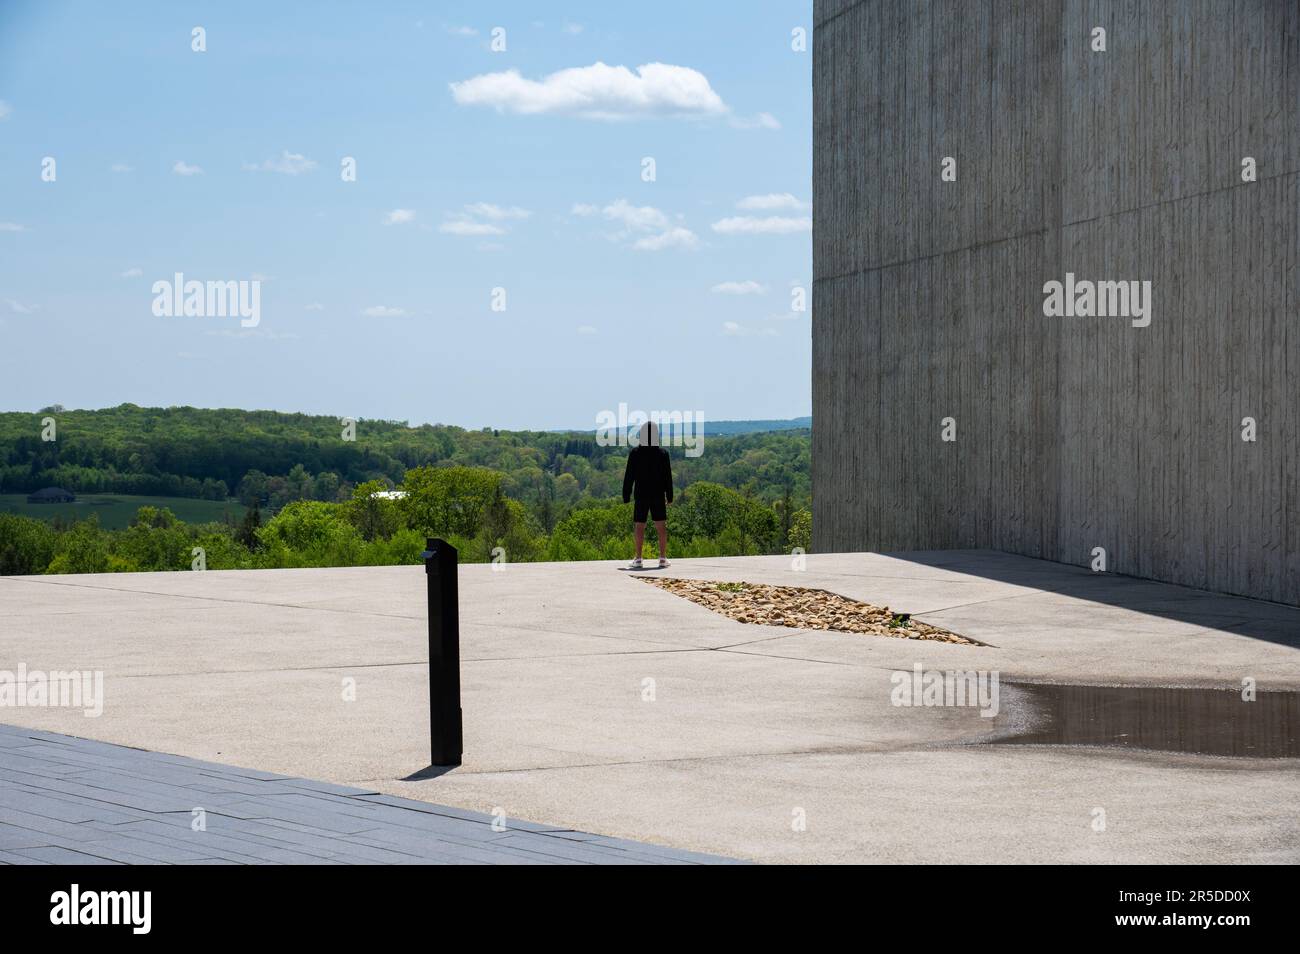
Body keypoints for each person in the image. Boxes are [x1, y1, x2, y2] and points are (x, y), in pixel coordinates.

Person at [622, 420, 673, 569]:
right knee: (661, 526)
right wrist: (669, 496)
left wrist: (626, 495)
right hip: (658, 494)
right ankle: (662, 558)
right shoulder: (663, 454)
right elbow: (667, 477)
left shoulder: (635, 453)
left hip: (641, 494)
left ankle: (638, 559)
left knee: (639, 526)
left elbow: (629, 476)